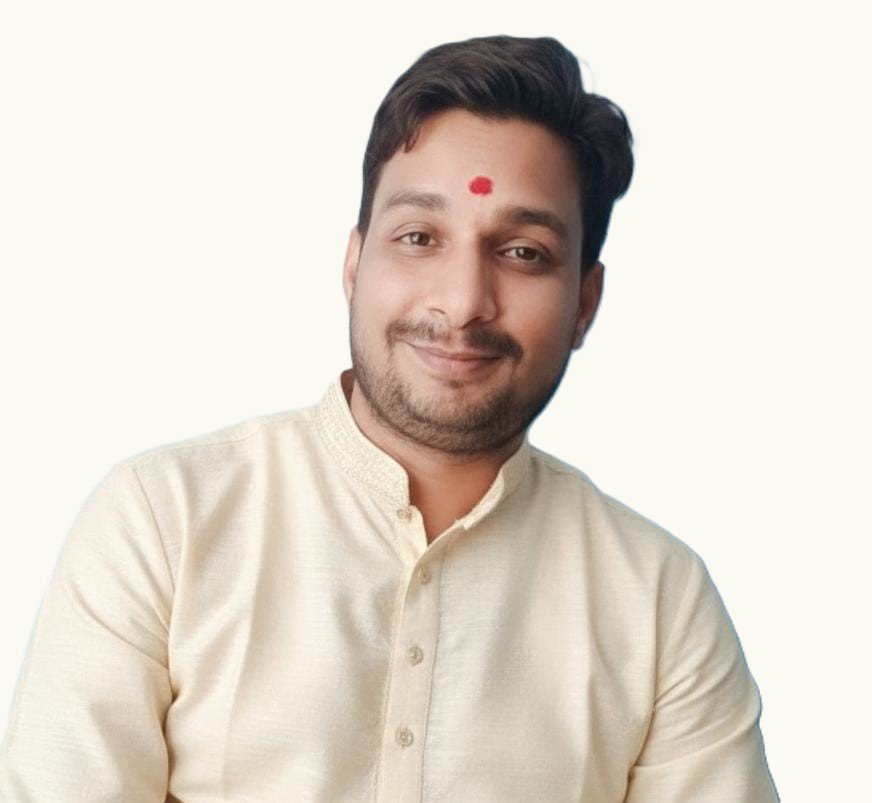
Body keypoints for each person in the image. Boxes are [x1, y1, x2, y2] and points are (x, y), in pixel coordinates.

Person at [0, 34, 779, 802]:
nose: (462, 302)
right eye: (418, 237)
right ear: (354, 262)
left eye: (523, 252)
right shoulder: (165, 522)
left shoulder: (658, 601)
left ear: (585, 302)